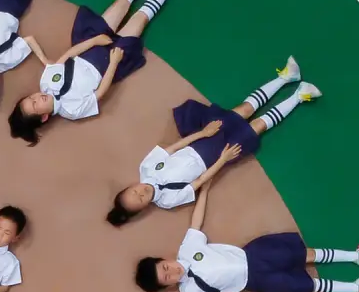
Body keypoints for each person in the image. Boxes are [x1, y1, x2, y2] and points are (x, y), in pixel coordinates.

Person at [8, 0, 189, 144]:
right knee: (141, 18)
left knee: (121, 3)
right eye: (35, 105)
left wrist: (93, 41)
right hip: (109, 63)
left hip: (89, 46)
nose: (36, 98)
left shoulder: (46, 82)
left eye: (30, 98)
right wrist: (114, 62)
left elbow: (67, 56)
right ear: (44, 117)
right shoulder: (72, 110)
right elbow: (100, 92)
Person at [107, 58, 320, 225]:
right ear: (144, 207)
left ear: (130, 186)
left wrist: (203, 133)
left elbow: (174, 147)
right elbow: (199, 181)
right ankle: (299, 96)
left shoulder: (146, 168)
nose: (141, 192)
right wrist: (223, 159)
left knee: (244, 110)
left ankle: (286, 77)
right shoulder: (168, 200)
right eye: (141, 199)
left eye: (134, 191)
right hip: (215, 158)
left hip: (201, 142)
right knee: (257, 127)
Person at [135, 195, 359, 292]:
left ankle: (356, 255)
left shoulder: (188, 248)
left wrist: (205, 189)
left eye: (165, 267)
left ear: (164, 260)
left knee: (304, 255)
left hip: (254, 255)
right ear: (167, 287)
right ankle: (356, 288)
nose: (172, 272)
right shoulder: (189, 291)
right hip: (256, 282)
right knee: (306, 285)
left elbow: (195, 222)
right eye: (167, 278)